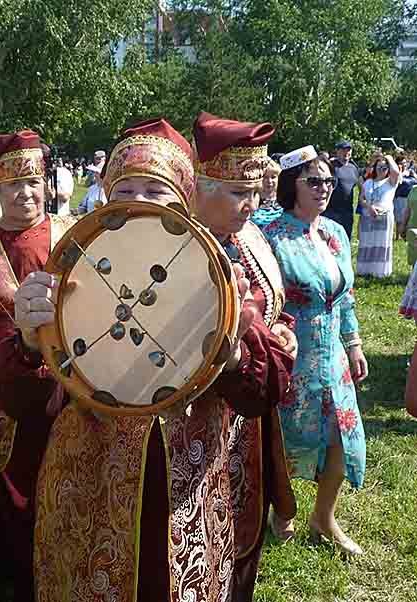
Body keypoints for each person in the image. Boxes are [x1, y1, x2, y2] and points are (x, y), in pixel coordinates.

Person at [4, 117, 293, 602]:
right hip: (88, 480)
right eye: (127, 189)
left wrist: (236, 349)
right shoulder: (74, 264)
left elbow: (264, 393)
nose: (138, 201)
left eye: (155, 192)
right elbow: (22, 402)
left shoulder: (214, 272)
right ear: (106, 198)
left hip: (186, 486)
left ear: (182, 203)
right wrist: (31, 340)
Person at [0, 130, 75, 602]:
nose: (25, 193)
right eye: (13, 186)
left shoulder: (75, 234)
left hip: (70, 384)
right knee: (3, 493)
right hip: (0, 385)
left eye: (33, 182)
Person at [192, 112, 297, 602]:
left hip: (250, 419)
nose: (251, 205)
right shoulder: (182, 248)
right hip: (199, 427)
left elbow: (271, 304)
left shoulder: (249, 238)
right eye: (238, 193)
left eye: (255, 192)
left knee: (243, 529)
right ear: (201, 186)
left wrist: (281, 331)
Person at [264, 145, 368, 557]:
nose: (324, 187)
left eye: (328, 180)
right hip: (293, 358)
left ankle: (324, 518)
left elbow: (345, 297)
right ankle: (282, 514)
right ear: (293, 185)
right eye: (314, 181)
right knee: (286, 441)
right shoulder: (271, 235)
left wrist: (354, 344)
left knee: (344, 439)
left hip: (334, 361)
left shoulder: (335, 233)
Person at [357, 154, 400, 277]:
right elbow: (361, 199)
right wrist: (368, 207)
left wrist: (389, 158)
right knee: (367, 242)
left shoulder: (391, 182)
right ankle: (365, 270)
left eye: (385, 168)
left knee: (381, 243)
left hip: (384, 218)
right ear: (375, 168)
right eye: (380, 167)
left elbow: (396, 172)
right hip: (368, 217)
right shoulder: (368, 183)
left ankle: (380, 272)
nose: (382, 170)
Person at [325, 141, 359, 241]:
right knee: (330, 241)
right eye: (343, 150)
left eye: (349, 150)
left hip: (347, 212)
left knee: (345, 240)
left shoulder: (353, 168)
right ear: (337, 151)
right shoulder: (330, 166)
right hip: (331, 211)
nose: (346, 152)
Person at [251, 158, 283, 228]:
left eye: (273, 177)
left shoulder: (284, 199)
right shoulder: (251, 199)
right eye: (265, 177)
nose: (269, 181)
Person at [394, 158, 417, 237]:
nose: (404, 164)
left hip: (410, 196)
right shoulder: (397, 173)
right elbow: (398, 182)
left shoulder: (411, 171)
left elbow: (416, 180)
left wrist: (412, 174)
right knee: (400, 217)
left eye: (405, 163)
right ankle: (398, 235)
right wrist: (401, 173)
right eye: (401, 163)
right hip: (400, 197)